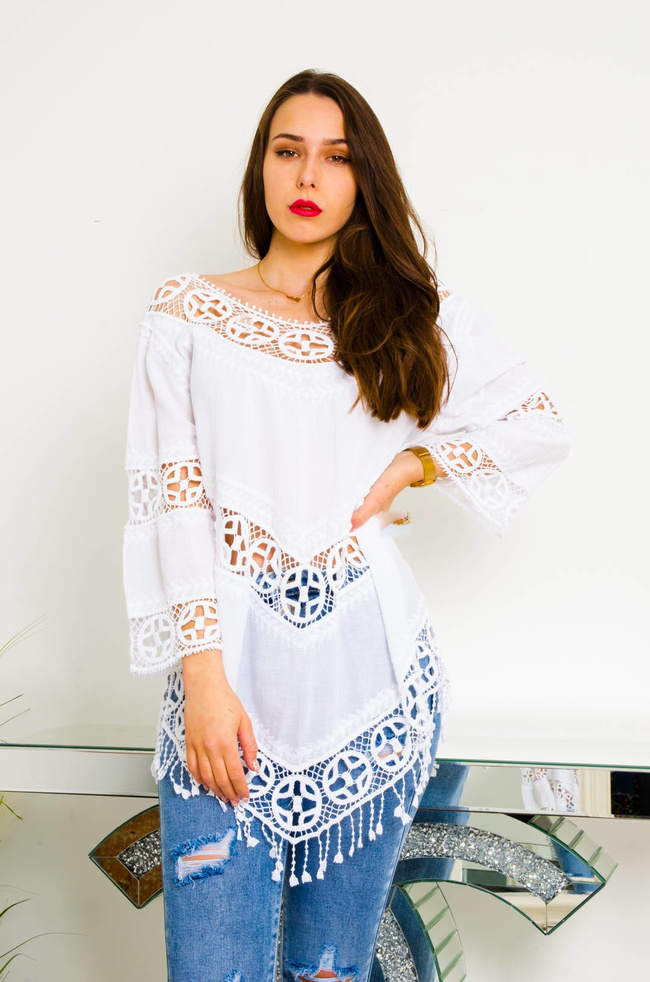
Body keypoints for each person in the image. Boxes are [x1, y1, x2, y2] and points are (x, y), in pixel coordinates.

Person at [122, 69, 571, 982]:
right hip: (224, 691)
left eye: (336, 157)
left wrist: (416, 463)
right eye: (288, 150)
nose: (308, 175)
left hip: (374, 695)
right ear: (260, 167)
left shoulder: (407, 315)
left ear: (364, 179)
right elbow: (177, 502)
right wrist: (203, 680)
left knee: (329, 972)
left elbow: (538, 423)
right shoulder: (187, 314)